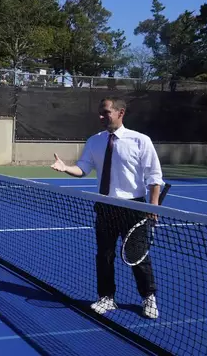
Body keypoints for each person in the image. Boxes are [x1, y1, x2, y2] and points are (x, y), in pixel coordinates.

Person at [50, 97, 162, 320]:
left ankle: (148, 297)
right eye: (100, 113)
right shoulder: (94, 141)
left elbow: (154, 176)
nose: (101, 117)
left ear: (120, 112)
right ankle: (106, 297)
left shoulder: (141, 141)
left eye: (106, 112)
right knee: (104, 255)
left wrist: (154, 206)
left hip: (133, 207)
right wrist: (65, 168)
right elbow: (83, 169)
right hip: (106, 207)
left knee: (137, 256)